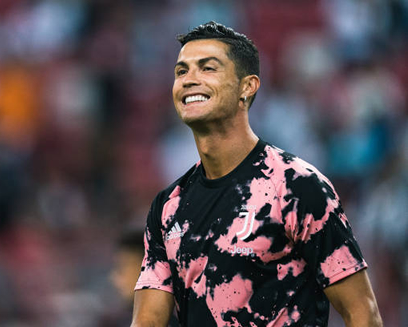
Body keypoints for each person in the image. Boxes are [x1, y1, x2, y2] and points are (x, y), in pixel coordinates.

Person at [131, 21, 382, 327]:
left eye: (207, 68)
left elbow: (362, 312)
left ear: (247, 87)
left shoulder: (297, 187)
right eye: (181, 71)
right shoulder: (168, 206)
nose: (188, 79)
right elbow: (148, 322)